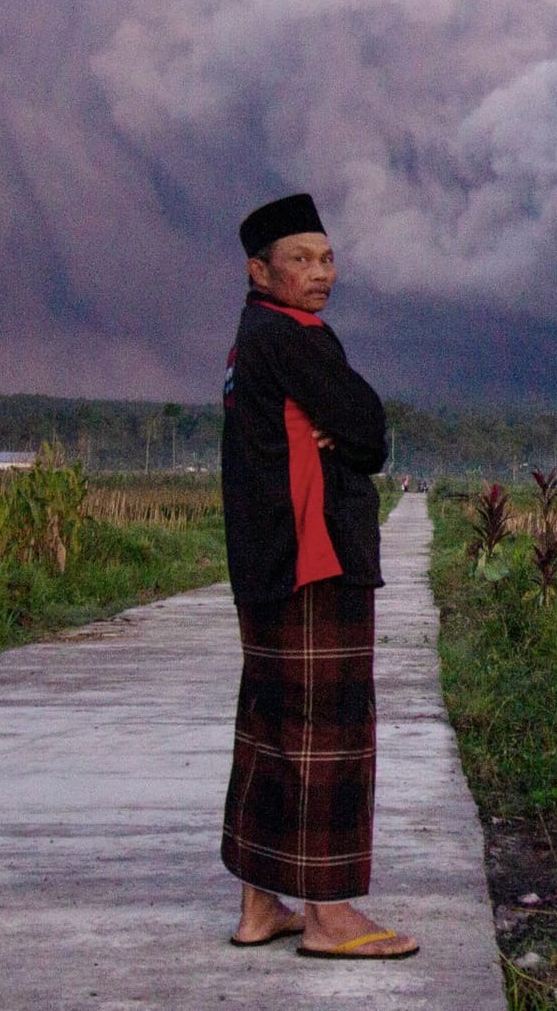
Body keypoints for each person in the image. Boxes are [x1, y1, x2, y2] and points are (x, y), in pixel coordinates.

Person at [218, 192, 418, 959]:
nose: (319, 273)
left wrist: (347, 423)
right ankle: (331, 916)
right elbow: (369, 432)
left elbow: (354, 428)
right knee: (327, 740)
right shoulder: (295, 338)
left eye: (327, 257)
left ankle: (259, 907)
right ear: (258, 269)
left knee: (271, 733)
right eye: (299, 260)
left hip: (268, 568)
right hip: (314, 565)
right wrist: (352, 425)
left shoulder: (248, 342)